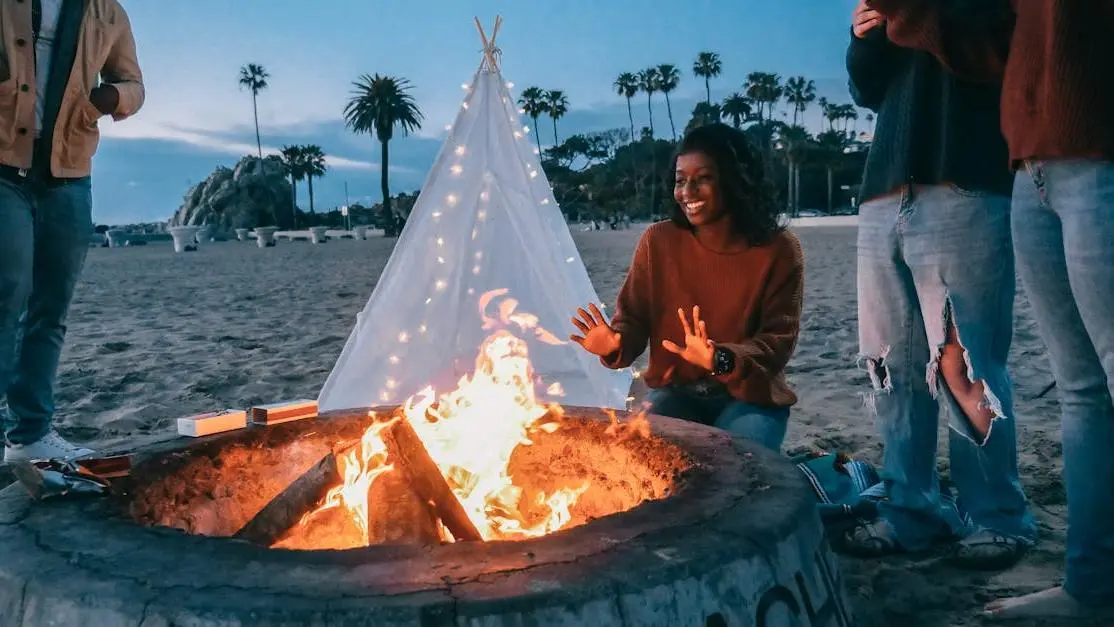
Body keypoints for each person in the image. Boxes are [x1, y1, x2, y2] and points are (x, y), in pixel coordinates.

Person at [867, 0, 1114, 620]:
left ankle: (1002, 519)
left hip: (1055, 159)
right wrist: (880, 26)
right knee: (1080, 390)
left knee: (979, 365)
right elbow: (994, 52)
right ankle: (1091, 585)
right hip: (1024, 162)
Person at [841, 0, 1035, 570]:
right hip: (883, 190)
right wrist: (864, 38)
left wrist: (910, 13)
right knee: (894, 368)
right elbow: (868, 90)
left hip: (967, 181)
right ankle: (910, 508)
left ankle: (997, 514)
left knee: (964, 363)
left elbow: (997, 51)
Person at [569, 122, 804, 453]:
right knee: (641, 458)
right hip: (676, 393)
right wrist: (614, 343)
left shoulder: (779, 248)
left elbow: (777, 343)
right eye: (681, 180)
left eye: (703, 178)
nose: (687, 192)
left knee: (731, 464)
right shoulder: (659, 241)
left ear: (734, 180)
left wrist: (718, 358)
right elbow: (634, 319)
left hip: (751, 397)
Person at [0, 0, 144, 462]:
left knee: (50, 309)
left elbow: (133, 84)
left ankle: (30, 435)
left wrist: (107, 100)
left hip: (68, 172)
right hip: (4, 166)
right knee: (7, 293)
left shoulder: (107, 11)